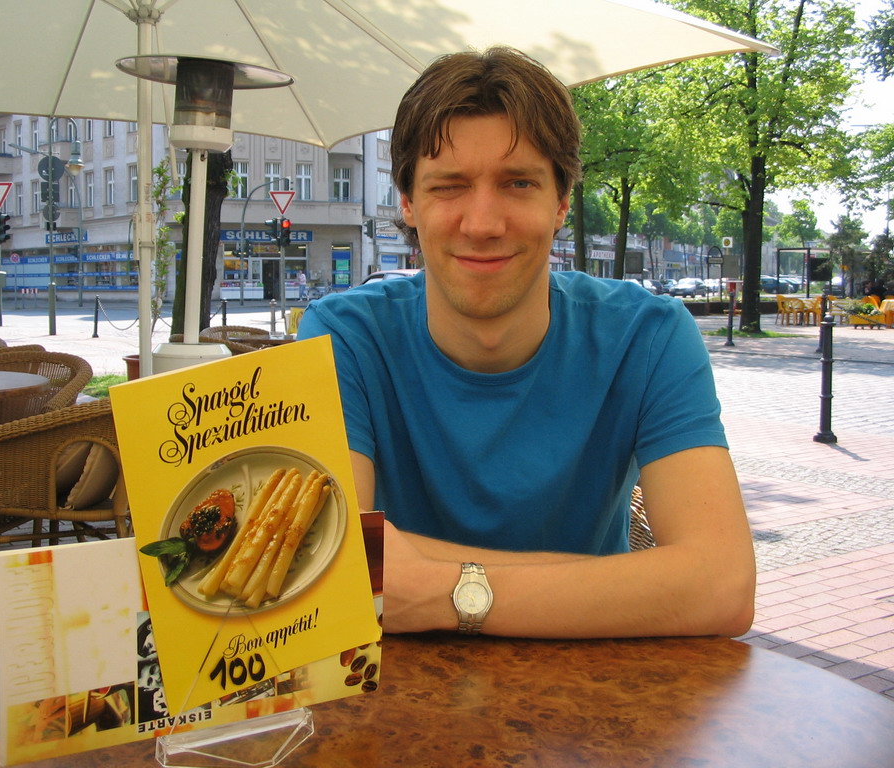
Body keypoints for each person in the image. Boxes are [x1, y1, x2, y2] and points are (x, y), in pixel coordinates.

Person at [297, 47, 755, 641]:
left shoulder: (648, 336)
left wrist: (443, 588)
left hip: (598, 700)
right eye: (449, 186)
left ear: (561, 202)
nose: (483, 223)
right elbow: (331, 570)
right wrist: (628, 585)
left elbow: (721, 585)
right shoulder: (343, 338)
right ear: (408, 205)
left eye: (518, 183)